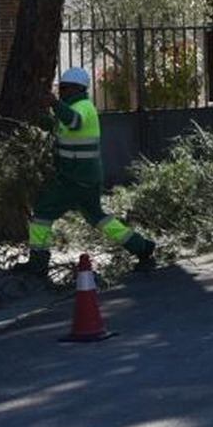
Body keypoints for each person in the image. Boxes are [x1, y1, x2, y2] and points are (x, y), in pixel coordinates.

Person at [21, 67, 156, 274]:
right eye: (61, 88)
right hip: (85, 178)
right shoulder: (73, 107)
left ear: (77, 88)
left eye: (65, 88)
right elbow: (59, 128)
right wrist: (36, 116)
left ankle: (38, 264)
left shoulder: (83, 107)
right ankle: (141, 247)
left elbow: (73, 122)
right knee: (99, 218)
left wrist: (54, 104)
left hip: (73, 179)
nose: (61, 91)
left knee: (42, 212)